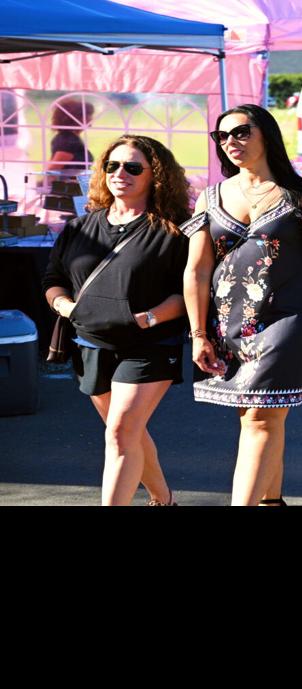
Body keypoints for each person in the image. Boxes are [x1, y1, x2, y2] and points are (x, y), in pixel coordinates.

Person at [181, 103, 302, 507]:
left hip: (288, 321)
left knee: (261, 416)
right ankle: (271, 500)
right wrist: (198, 334)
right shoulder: (210, 197)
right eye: (222, 136)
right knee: (254, 416)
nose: (230, 142)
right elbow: (196, 271)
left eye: (240, 132)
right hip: (228, 326)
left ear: (266, 135)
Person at [42, 135, 191, 505]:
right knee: (127, 433)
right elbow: (52, 279)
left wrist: (148, 319)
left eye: (133, 167)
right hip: (90, 343)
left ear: (155, 176)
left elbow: (190, 290)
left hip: (149, 345)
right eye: (112, 166)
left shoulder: (175, 231)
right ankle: (163, 499)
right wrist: (66, 307)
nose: (119, 173)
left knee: (121, 432)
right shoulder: (80, 227)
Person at [49, 99, 91, 168]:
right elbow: (53, 170)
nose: (90, 118)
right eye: (87, 115)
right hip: (68, 179)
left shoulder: (67, 137)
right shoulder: (69, 140)